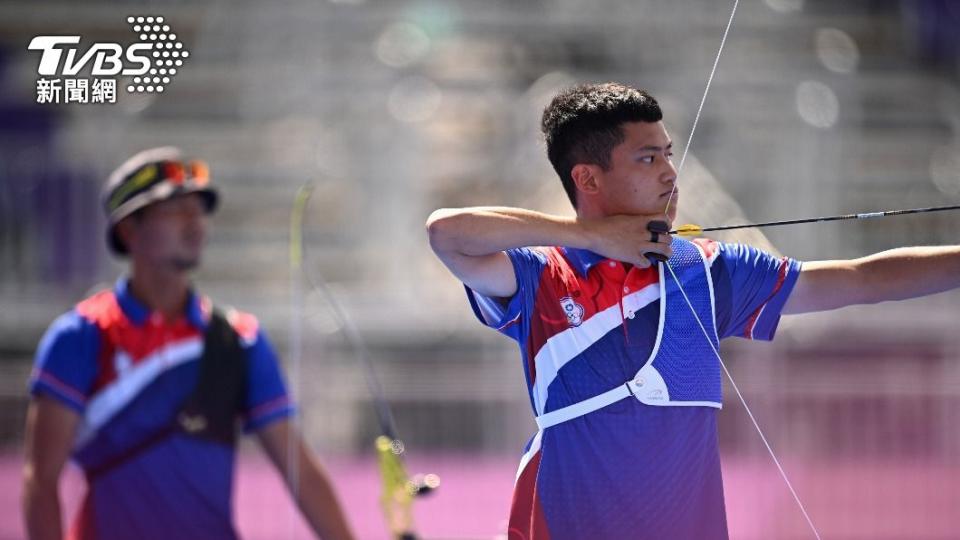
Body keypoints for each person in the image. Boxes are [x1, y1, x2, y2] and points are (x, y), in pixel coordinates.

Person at [426, 82, 960, 539]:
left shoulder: (705, 269)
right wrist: (591, 236)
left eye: (668, 153)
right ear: (587, 179)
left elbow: (863, 278)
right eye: (647, 158)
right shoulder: (541, 274)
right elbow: (447, 232)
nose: (670, 174)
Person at [21, 147, 355, 540]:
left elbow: (298, 468)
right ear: (129, 229)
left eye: (199, 210)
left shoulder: (239, 340)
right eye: (176, 210)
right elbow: (40, 479)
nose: (195, 224)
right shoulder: (81, 336)